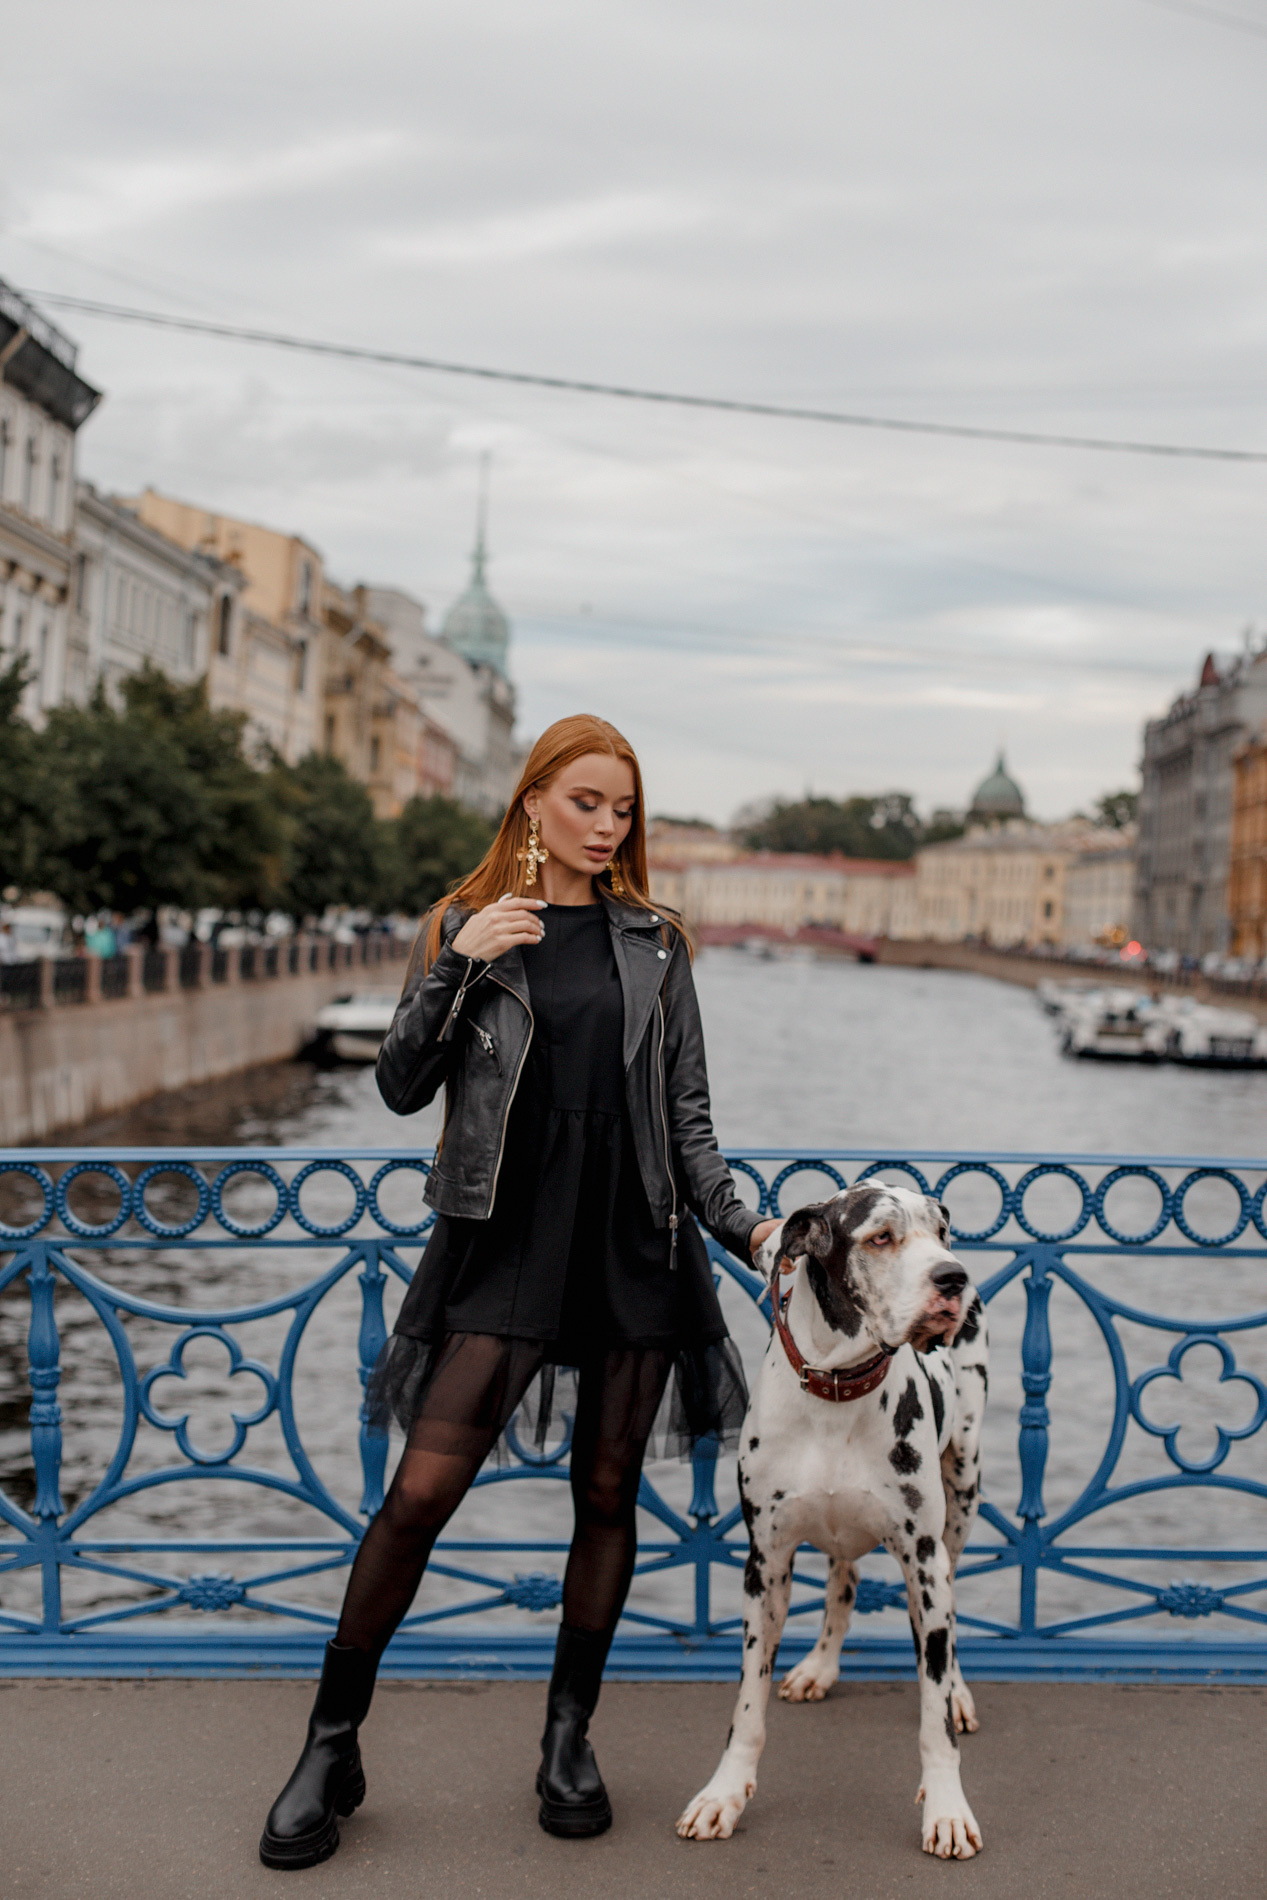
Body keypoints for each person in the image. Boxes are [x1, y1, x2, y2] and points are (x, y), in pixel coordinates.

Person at [259, 714, 778, 1870]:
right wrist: (461, 960)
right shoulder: (465, 919)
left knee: (607, 1494)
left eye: (623, 808)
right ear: (533, 798)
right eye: (586, 801)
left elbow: (689, 1121)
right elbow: (400, 1086)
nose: (607, 826)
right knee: (418, 1494)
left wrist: (749, 1228)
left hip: (632, 1238)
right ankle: (330, 1743)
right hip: (503, 1235)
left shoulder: (656, 943)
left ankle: (566, 1740)